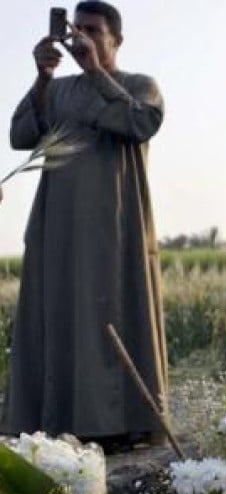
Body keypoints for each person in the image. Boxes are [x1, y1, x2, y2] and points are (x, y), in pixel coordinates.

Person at [2, 1, 168, 448]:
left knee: (115, 312)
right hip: (57, 228)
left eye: (95, 30)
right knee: (57, 315)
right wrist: (42, 76)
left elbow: (139, 123)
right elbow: (20, 134)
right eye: (79, 29)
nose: (84, 38)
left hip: (117, 230)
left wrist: (96, 73)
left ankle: (119, 425)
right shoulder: (57, 91)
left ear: (117, 39)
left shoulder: (139, 85)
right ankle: (53, 425)